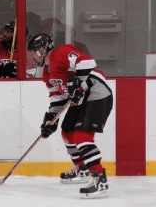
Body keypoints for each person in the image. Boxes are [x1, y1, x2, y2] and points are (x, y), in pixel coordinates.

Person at [27, 33, 113, 199]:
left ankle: (100, 179)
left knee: (82, 137)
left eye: (34, 51)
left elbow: (88, 62)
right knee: (67, 131)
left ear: (44, 48)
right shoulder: (47, 72)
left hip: (96, 93)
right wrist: (50, 120)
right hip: (80, 100)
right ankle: (82, 169)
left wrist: (77, 84)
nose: (33, 55)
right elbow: (57, 98)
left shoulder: (61, 52)